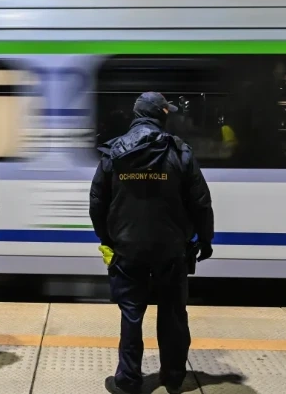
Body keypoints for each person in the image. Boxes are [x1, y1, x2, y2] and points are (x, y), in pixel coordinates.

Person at [89, 92, 215, 394]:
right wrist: (205, 239)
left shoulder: (114, 152)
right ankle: (172, 378)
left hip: (127, 247)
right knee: (173, 313)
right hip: (172, 248)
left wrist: (108, 238)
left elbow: (97, 202)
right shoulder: (180, 151)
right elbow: (200, 202)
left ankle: (128, 380)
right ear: (162, 115)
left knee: (131, 314)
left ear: (136, 115)